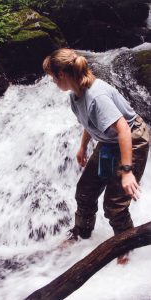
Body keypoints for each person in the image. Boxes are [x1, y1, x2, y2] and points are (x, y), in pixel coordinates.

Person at [42, 48, 150, 264]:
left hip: (133, 140)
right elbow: (89, 123)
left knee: (115, 205)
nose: (53, 82)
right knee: (85, 192)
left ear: (62, 74)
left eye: (53, 78)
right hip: (110, 142)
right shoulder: (76, 95)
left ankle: (125, 250)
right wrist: (83, 147)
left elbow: (124, 130)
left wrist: (127, 171)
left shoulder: (96, 95)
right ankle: (81, 234)